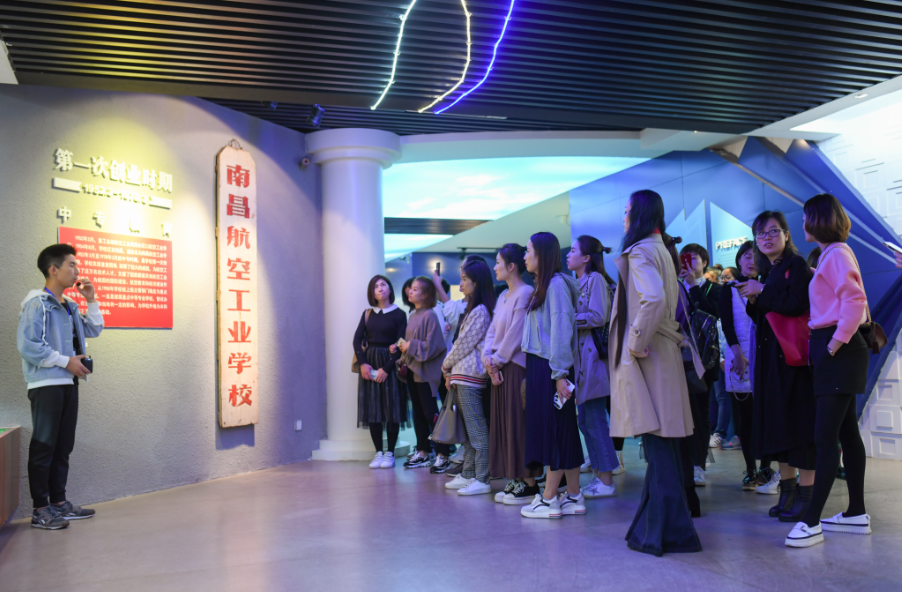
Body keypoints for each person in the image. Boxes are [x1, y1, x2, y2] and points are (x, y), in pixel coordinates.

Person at [610, 190, 701, 556]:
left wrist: (635, 342)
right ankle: (660, 530)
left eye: (627, 210)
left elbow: (653, 299)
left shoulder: (641, 251)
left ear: (640, 214)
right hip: (662, 353)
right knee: (662, 447)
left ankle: (666, 533)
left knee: (659, 447)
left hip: (650, 356)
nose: (623, 217)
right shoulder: (661, 249)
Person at [786, 194, 870, 548]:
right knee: (847, 433)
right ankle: (856, 513)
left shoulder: (835, 254)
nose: (802, 223)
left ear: (818, 220)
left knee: (825, 439)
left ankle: (811, 521)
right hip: (836, 349)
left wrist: (834, 344)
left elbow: (854, 300)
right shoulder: (832, 254)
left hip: (838, 349)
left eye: (806, 216)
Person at [738, 211, 817, 523]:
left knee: (799, 428)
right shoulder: (768, 271)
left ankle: (806, 497)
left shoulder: (796, 265)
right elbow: (766, 317)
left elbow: (798, 303)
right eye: (761, 233)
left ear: (786, 234)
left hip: (793, 361)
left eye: (773, 231)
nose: (767, 237)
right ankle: (788, 491)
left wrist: (762, 292)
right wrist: (754, 300)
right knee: (780, 427)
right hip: (773, 361)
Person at [18, 244, 104, 530]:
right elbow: (29, 346)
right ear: (53, 269)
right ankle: (40, 510)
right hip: (46, 384)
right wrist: (66, 361)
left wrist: (91, 300)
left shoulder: (70, 305)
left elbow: (93, 329)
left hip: (68, 382)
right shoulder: (37, 304)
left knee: (63, 446)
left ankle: (58, 503)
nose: (76, 270)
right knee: (44, 446)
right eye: (71, 265)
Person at [519, 232, 586, 519]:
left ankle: (549, 499)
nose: (525, 256)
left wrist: (559, 374)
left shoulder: (556, 285)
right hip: (547, 366)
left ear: (542, 254)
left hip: (550, 367)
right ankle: (574, 494)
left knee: (555, 431)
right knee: (564, 429)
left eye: (528, 251)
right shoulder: (547, 285)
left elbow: (560, 330)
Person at [484, 244, 541, 504]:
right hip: (499, 367)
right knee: (504, 424)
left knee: (518, 424)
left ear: (511, 266)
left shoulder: (525, 293)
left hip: (515, 367)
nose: (495, 267)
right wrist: (488, 359)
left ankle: (529, 483)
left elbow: (516, 334)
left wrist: (495, 361)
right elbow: (492, 331)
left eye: (498, 262)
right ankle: (515, 477)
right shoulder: (503, 296)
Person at [566, 235, 619, 499]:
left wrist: (567, 318)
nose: (568, 255)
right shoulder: (578, 282)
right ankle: (600, 476)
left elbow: (599, 316)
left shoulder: (596, 279)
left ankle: (606, 479)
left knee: (595, 421)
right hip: (583, 361)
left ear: (586, 258)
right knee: (586, 421)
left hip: (594, 360)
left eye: (573, 251)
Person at [442, 260, 496, 496]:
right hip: (462, 376)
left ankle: (482, 477)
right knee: (468, 431)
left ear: (477, 282)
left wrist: (446, 364)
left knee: (476, 429)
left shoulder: (480, 311)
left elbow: (463, 344)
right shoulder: (474, 309)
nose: (461, 283)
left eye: (465, 279)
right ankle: (469, 473)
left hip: (470, 376)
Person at [719, 242, 770, 489]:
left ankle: (767, 469)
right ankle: (750, 470)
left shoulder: (766, 286)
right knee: (745, 418)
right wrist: (738, 354)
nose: (752, 261)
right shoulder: (728, 290)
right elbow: (727, 325)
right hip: (739, 358)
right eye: (747, 256)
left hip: (766, 358)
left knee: (767, 416)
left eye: (756, 257)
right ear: (739, 260)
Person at [392, 278, 450, 469]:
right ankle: (423, 451)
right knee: (417, 413)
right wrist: (401, 347)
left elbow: (434, 346)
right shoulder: (413, 315)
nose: (410, 291)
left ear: (425, 295)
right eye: (411, 289)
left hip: (426, 373)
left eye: (415, 289)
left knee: (430, 413)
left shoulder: (430, 315)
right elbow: (411, 343)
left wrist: (410, 346)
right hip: (412, 370)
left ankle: (442, 454)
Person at [353, 275, 408, 469]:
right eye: (375, 286)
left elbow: (401, 343)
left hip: (390, 363)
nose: (380, 288)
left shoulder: (399, 314)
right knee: (373, 408)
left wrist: (386, 368)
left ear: (390, 289)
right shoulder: (368, 313)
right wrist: (362, 364)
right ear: (372, 292)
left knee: (392, 408)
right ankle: (378, 452)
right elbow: (357, 340)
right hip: (370, 362)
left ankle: (390, 453)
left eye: (383, 284)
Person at [679, 243, 721, 486]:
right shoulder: (675, 288)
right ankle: (684, 464)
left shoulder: (714, 289)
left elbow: (712, 313)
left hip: (705, 360)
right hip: (678, 358)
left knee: (701, 412)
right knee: (683, 413)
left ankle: (699, 465)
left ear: (705, 262)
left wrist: (693, 287)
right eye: (685, 258)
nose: (689, 262)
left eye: (694, 258)